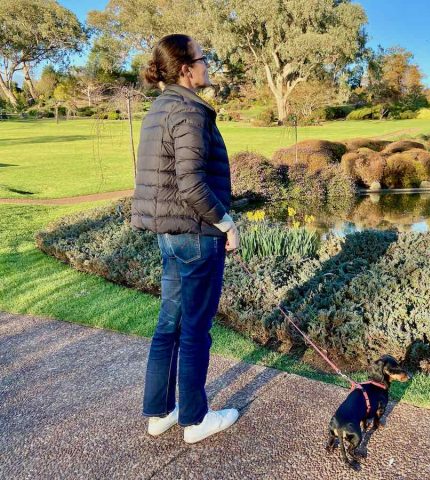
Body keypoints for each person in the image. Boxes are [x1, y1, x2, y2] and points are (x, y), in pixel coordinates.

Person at [131, 33, 240, 444]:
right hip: (195, 236)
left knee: (170, 324)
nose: (207, 64)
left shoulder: (159, 109)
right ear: (185, 68)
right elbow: (192, 184)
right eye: (202, 58)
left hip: (171, 235)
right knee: (194, 330)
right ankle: (195, 420)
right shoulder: (190, 112)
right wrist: (227, 224)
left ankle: (159, 413)